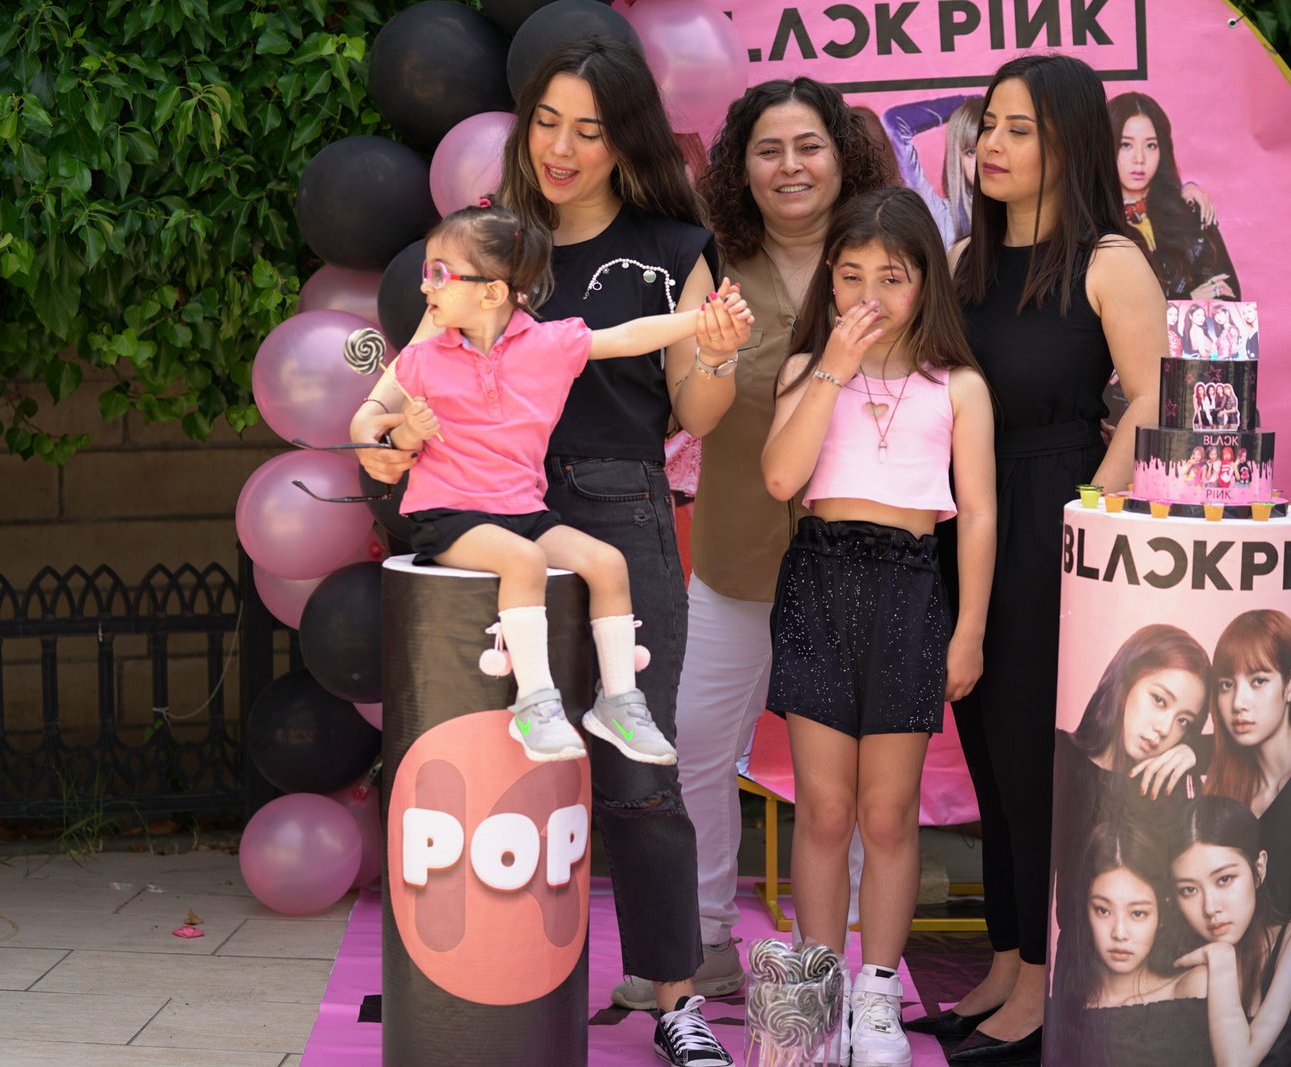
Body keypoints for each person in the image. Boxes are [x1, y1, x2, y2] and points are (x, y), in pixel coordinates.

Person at [352, 37, 739, 1067]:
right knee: (490, 751)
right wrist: (387, 445)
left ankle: (675, 999)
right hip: (478, 512)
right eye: (549, 124)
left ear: (626, 142)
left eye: (591, 130)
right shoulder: (482, 240)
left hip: (615, 508)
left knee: (638, 764)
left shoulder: (670, 247)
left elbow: (699, 409)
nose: (563, 148)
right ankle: (484, 989)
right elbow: (404, 374)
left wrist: (717, 354)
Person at [604, 78, 897, 1016]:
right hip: (736, 554)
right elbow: (680, 396)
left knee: (852, 777)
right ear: (740, 167)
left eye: (809, 146)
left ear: (843, 155)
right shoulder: (711, 264)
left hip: (861, 557)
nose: (790, 167)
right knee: (692, 747)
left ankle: (850, 958)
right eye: (769, 150)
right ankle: (701, 939)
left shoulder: (888, 259)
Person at [934, 54, 1166, 1063]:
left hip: (1051, 520)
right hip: (963, 519)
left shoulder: (1110, 260)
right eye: (988, 124)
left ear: (1067, 143)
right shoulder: (962, 260)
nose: (992, 144)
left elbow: (1153, 400)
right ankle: (1003, 960)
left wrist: (1087, 514)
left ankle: (1041, 981)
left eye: (1018, 128)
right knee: (986, 755)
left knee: (1033, 763)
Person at [353, 202, 753, 766]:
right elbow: (383, 426)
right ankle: (536, 704)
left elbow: (630, 336)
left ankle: (619, 703)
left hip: (523, 511)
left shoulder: (547, 344)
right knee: (525, 562)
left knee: (607, 563)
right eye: (427, 271)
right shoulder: (422, 358)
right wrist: (404, 433)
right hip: (449, 515)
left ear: (493, 293)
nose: (425, 286)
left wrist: (701, 321)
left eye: (439, 273)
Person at [761, 187, 996, 1067]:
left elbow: (979, 516)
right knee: (824, 808)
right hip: (820, 581)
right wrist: (832, 364)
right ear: (829, 279)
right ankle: (818, 993)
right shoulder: (805, 370)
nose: (870, 294)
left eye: (891, 277)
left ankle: (879, 994)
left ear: (925, 281)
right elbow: (781, 478)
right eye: (851, 274)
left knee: (889, 812)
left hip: (910, 590)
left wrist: (968, 630)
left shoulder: (958, 386)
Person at [1048, 820, 1211, 1066]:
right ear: (1085, 909)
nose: (1120, 933)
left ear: (1161, 914)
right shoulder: (1065, 1002)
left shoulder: (1192, 987)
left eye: (1138, 913)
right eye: (1103, 910)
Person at [1201, 611, 1291, 920]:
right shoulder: (1226, 787)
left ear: (1290, 683)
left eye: (1258, 681)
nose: (1238, 703)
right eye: (1226, 685)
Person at [1170, 797, 1291, 1067]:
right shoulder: (1185, 962)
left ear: (1259, 869)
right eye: (1189, 890)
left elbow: (1238, 1063)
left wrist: (1220, 957)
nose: (1210, 908)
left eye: (1224, 879)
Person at [1109, 92, 1241, 302]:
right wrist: (1188, 301)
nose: (1139, 159)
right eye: (1126, 145)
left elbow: (1228, 297)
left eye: (1150, 145)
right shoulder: (1091, 222)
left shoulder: (1190, 210)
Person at [881, 94, 984, 245]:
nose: (983, 161)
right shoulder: (942, 218)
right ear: (958, 158)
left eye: (990, 148)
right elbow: (895, 121)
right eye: (971, 152)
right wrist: (965, 103)